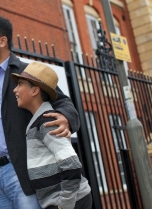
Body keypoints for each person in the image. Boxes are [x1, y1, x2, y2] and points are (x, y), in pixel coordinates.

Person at [0, 16, 80, 209]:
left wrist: (66, 118)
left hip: (21, 172)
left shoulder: (27, 72)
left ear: (2, 40)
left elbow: (63, 102)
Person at [12, 61, 92, 209]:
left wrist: (65, 204)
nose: (15, 90)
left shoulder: (46, 123)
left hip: (68, 202)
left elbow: (72, 165)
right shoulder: (39, 121)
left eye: (20, 84)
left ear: (35, 90)